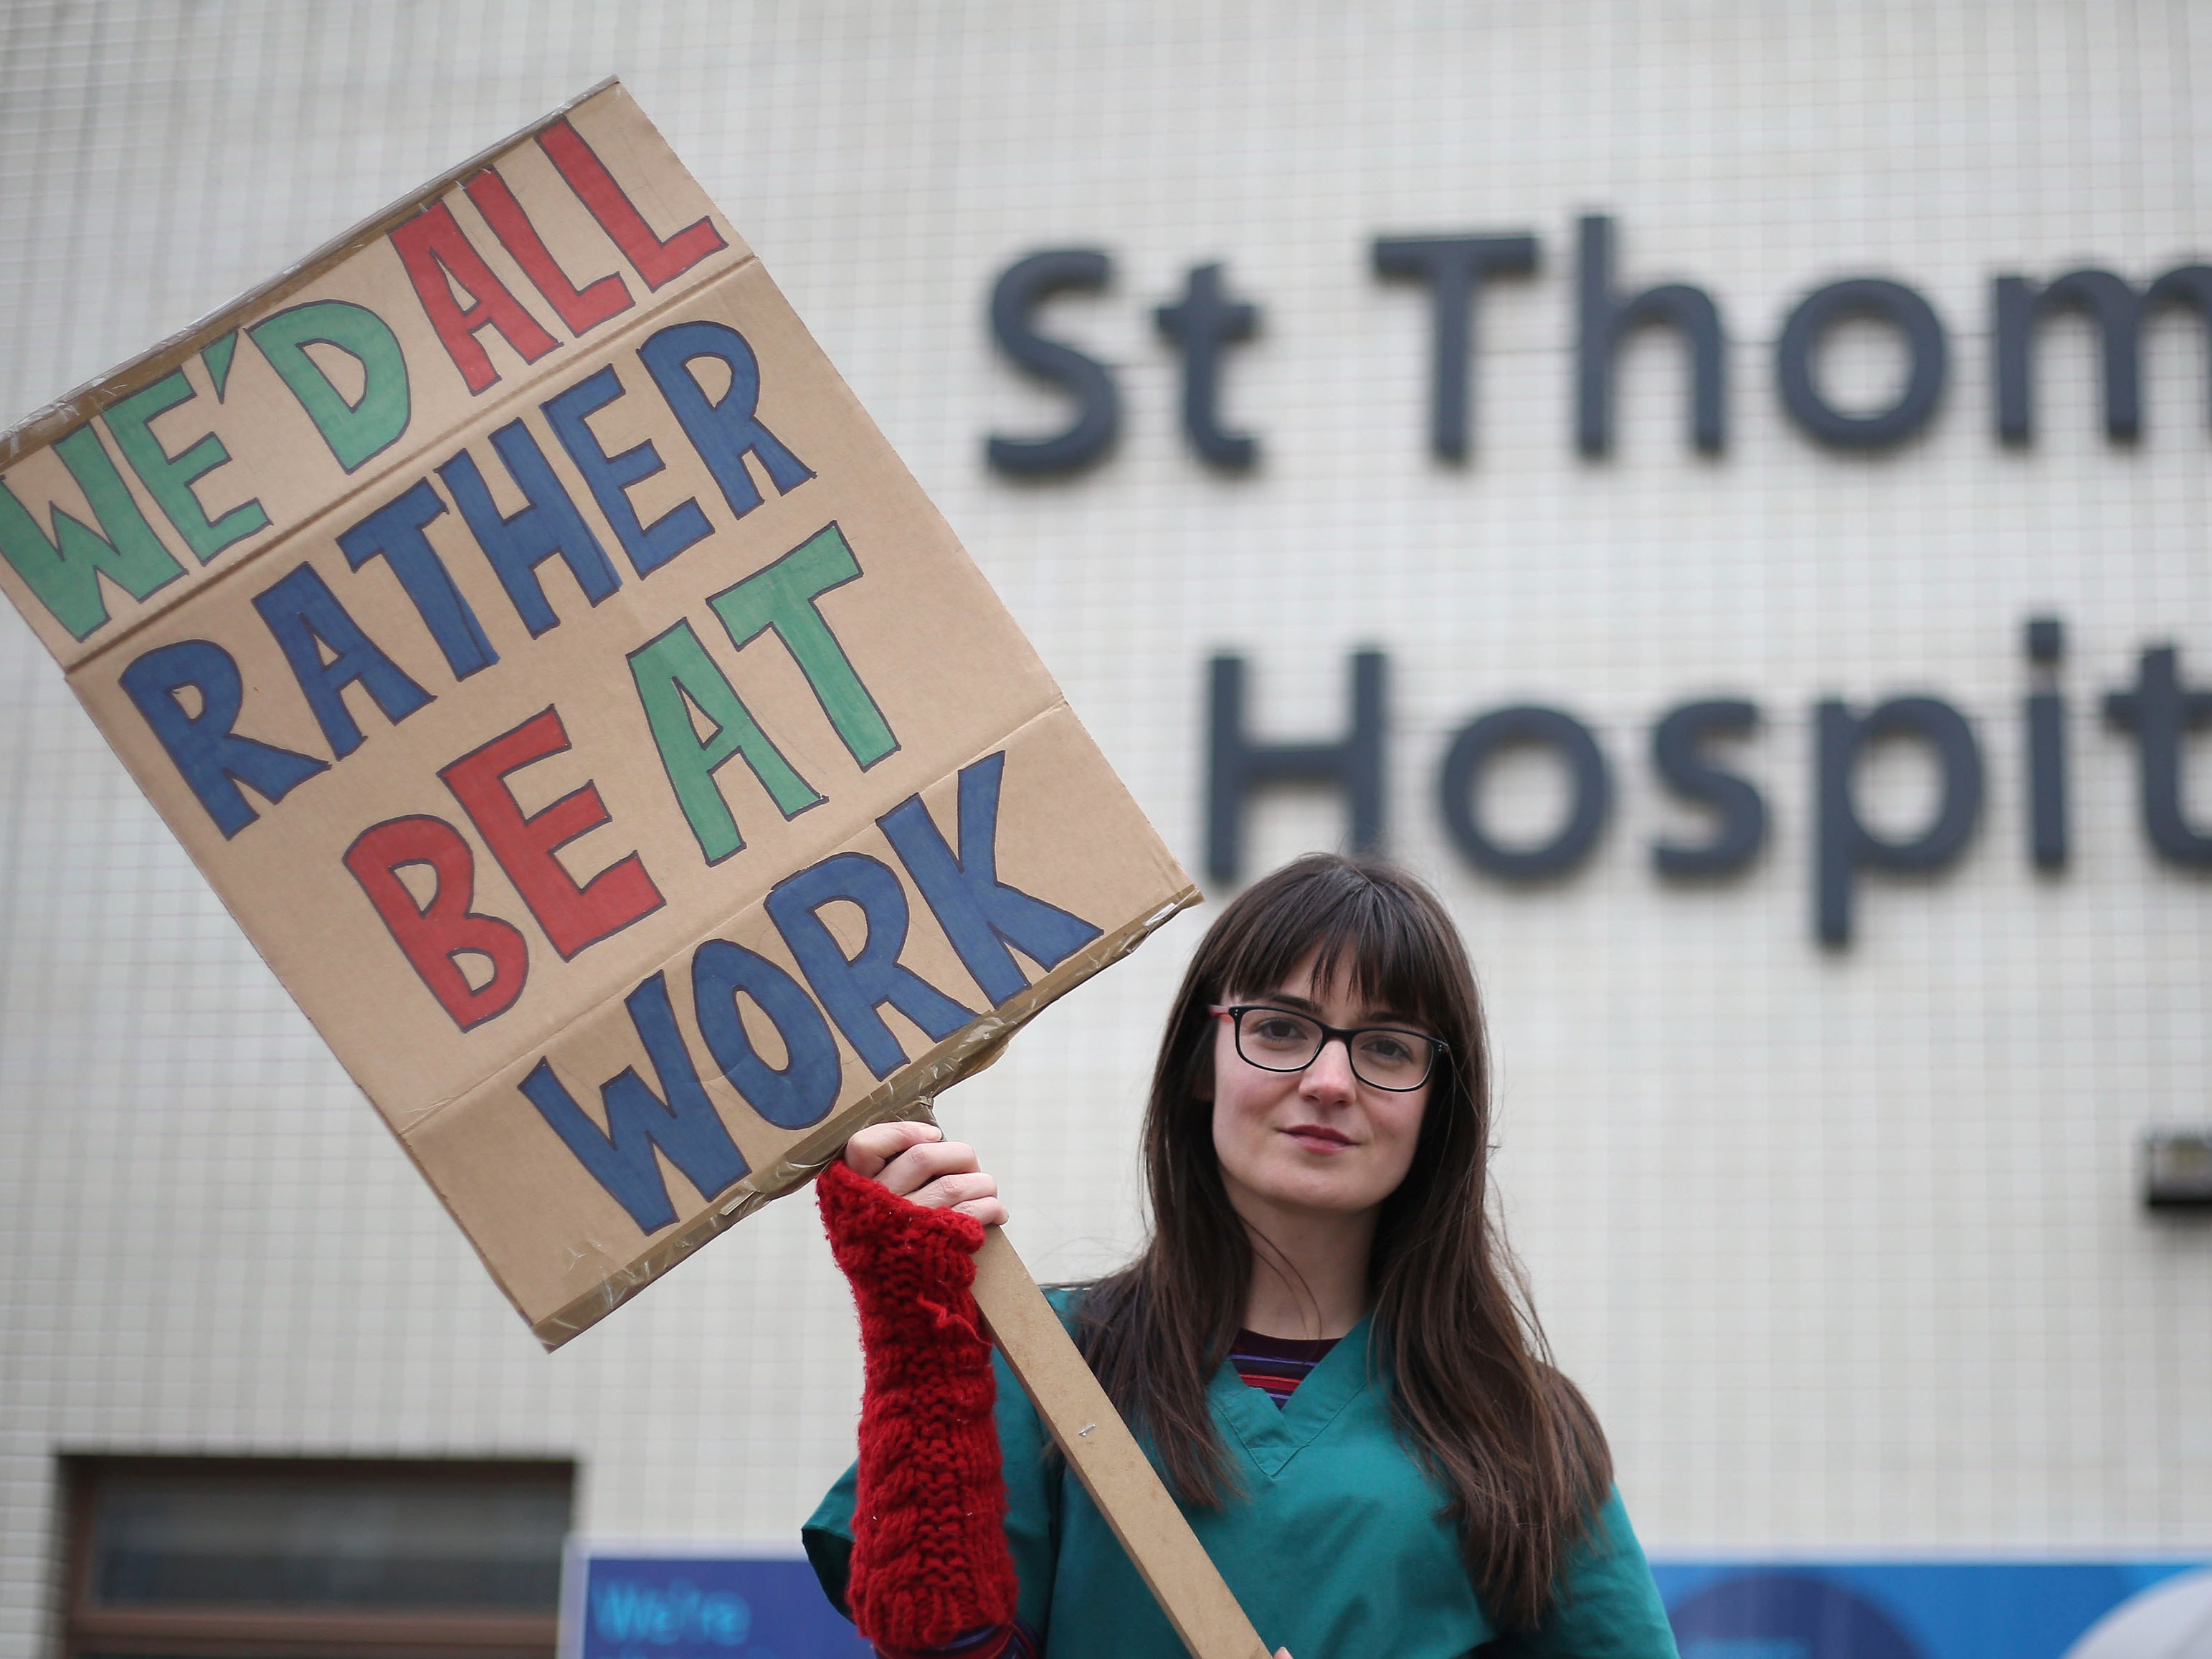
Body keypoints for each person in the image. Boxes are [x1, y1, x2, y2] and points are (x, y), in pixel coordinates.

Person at [804, 853, 1679, 1658]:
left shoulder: (1522, 1422)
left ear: (1437, 1104)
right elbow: (936, 1641)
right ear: (1201, 1061)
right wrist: (915, 1330)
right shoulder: (1041, 1359)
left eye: (1386, 1046)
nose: (1329, 1081)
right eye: (1280, 1027)